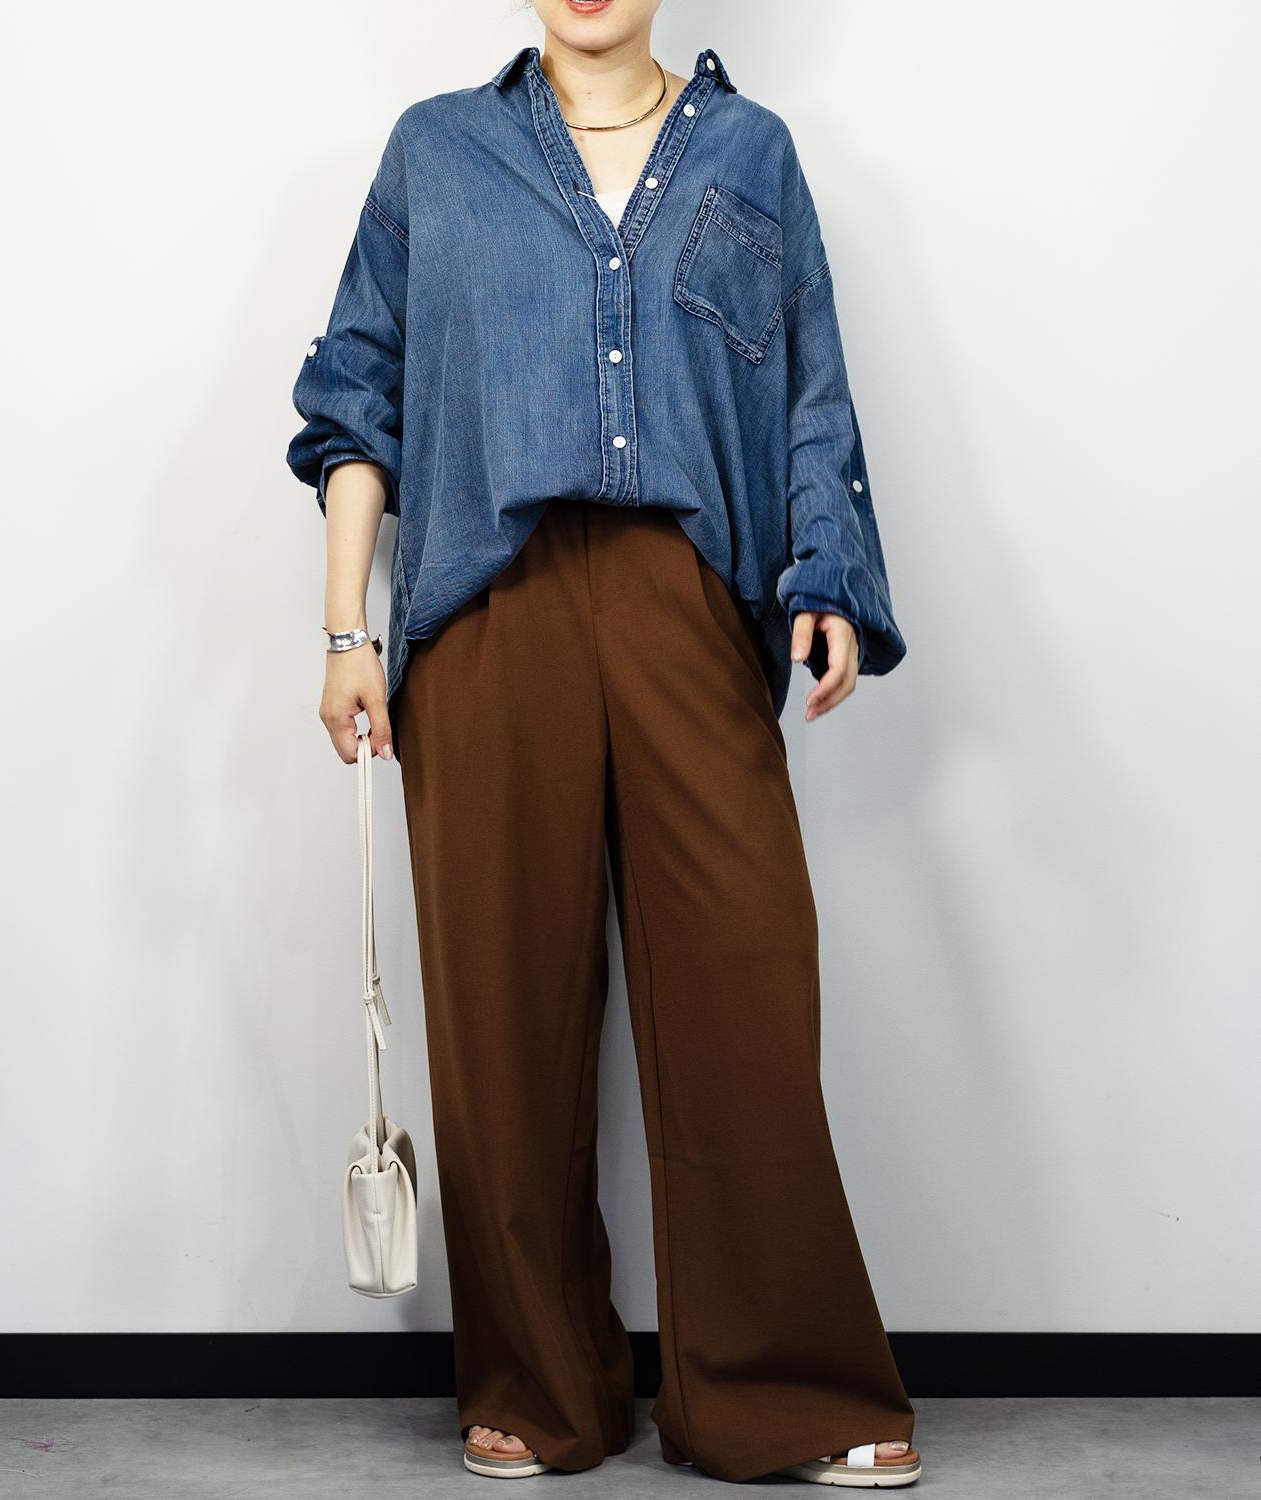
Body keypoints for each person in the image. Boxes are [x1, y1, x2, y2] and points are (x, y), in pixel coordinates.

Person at [285, 0, 920, 1486]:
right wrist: (342, 631)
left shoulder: (751, 153)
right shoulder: (436, 153)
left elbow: (810, 398)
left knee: (744, 990)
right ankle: (538, 1380)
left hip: (685, 604)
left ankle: (782, 1388)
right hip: (486, 613)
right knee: (502, 1010)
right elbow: (357, 397)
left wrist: (827, 578)